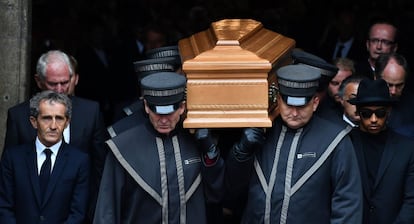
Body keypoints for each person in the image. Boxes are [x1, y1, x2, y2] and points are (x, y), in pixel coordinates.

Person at [225, 64, 363, 223]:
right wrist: (242, 152)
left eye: (302, 106)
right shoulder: (262, 131)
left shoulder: (336, 139)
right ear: (278, 101)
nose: (295, 113)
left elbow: (348, 204)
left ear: (315, 102)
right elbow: (231, 189)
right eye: (289, 105)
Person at [93, 72, 225, 223]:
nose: (163, 120)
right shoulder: (122, 148)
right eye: (157, 112)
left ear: (182, 107)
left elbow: (217, 196)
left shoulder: (197, 143)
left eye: (169, 113)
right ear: (146, 107)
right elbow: (106, 212)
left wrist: (210, 154)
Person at [3, 50, 107, 223]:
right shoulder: (19, 116)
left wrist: (92, 214)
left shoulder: (91, 113)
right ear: (39, 81)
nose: (60, 90)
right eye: (53, 84)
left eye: (64, 83)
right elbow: (8, 178)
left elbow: (100, 171)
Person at [0, 90, 90, 224]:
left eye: (59, 118)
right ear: (34, 121)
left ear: (67, 123)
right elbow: (4, 207)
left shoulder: (79, 161)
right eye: (47, 118)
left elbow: (78, 213)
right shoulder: (13, 158)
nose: (53, 126)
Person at [348, 78, 414, 224]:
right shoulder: (344, 144)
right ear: (358, 112)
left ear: (388, 111)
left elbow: (411, 200)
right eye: (366, 113)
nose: (373, 119)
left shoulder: (407, 148)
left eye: (380, 113)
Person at [375, 52, 414, 138]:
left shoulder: (411, 105)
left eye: (399, 85)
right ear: (376, 78)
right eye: (389, 85)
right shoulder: (362, 102)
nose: (393, 91)